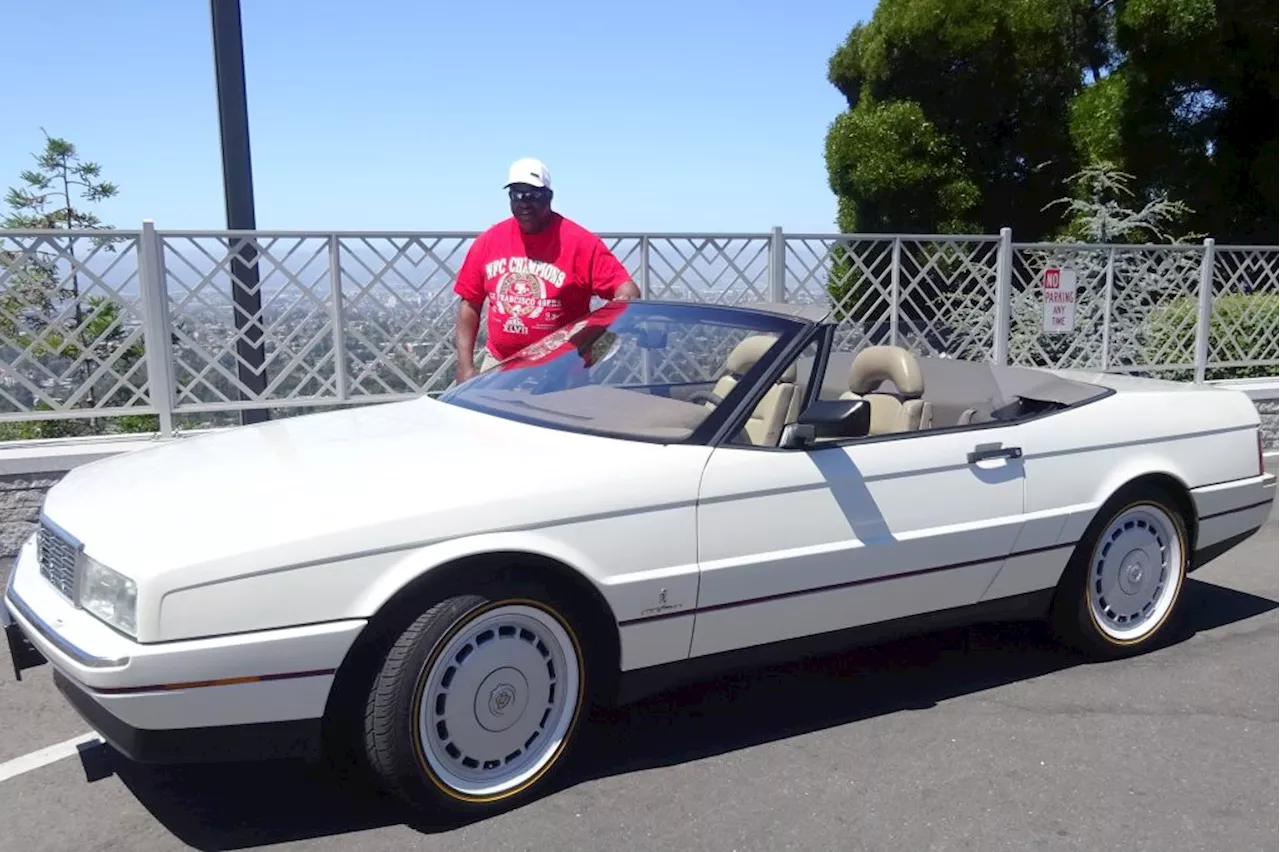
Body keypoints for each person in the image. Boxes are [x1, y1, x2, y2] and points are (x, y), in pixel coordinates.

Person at [452, 157, 641, 383]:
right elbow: (470, 303)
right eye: (517, 195)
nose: (524, 203)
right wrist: (465, 366)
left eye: (533, 195)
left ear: (549, 196)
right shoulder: (490, 240)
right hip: (500, 364)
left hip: (563, 370)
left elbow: (625, 289)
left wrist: (616, 311)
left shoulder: (578, 242)